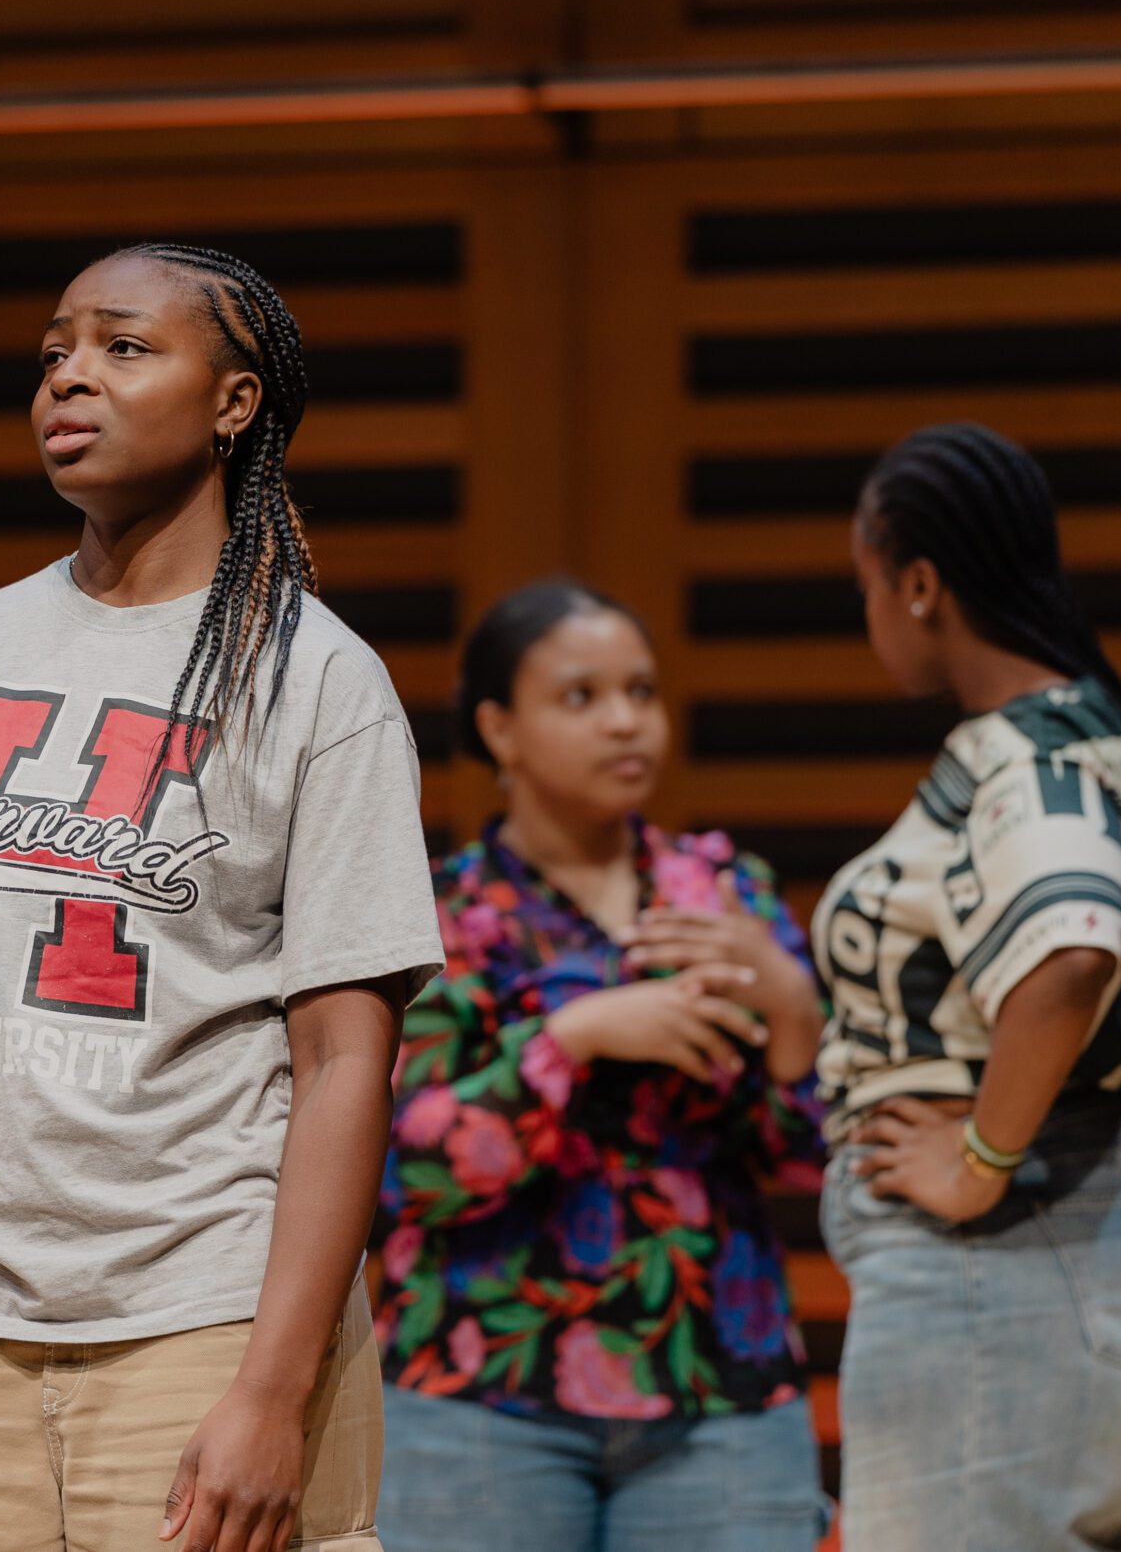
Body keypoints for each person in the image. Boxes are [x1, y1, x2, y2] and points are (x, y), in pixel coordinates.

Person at [0, 243, 444, 1552]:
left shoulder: (318, 678)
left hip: (203, 1319)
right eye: (54, 352)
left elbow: (346, 1055)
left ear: (236, 401)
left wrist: (271, 1383)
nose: (71, 375)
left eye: (125, 346)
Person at [815, 423, 1121, 1550]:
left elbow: (1071, 952)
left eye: (867, 587)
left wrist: (981, 1159)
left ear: (920, 584)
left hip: (1017, 1272)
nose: (872, 616)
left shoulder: (1022, 762)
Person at [370, 579, 831, 1552]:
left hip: (719, 1391)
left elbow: (813, 1156)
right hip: (481, 1393)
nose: (626, 723)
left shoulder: (721, 891)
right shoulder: (439, 912)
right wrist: (573, 1040)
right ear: (499, 728)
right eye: (581, 697)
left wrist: (791, 1004)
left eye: (642, 692)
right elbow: (407, 1169)